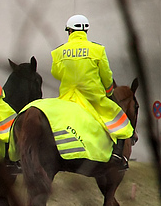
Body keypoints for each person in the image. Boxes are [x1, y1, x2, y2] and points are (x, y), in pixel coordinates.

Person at [51, 14, 133, 169]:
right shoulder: (97, 50)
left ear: (69, 31)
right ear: (86, 31)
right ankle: (117, 154)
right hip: (92, 97)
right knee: (119, 118)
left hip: (68, 97)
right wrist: (108, 91)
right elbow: (106, 75)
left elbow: (56, 74)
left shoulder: (58, 52)